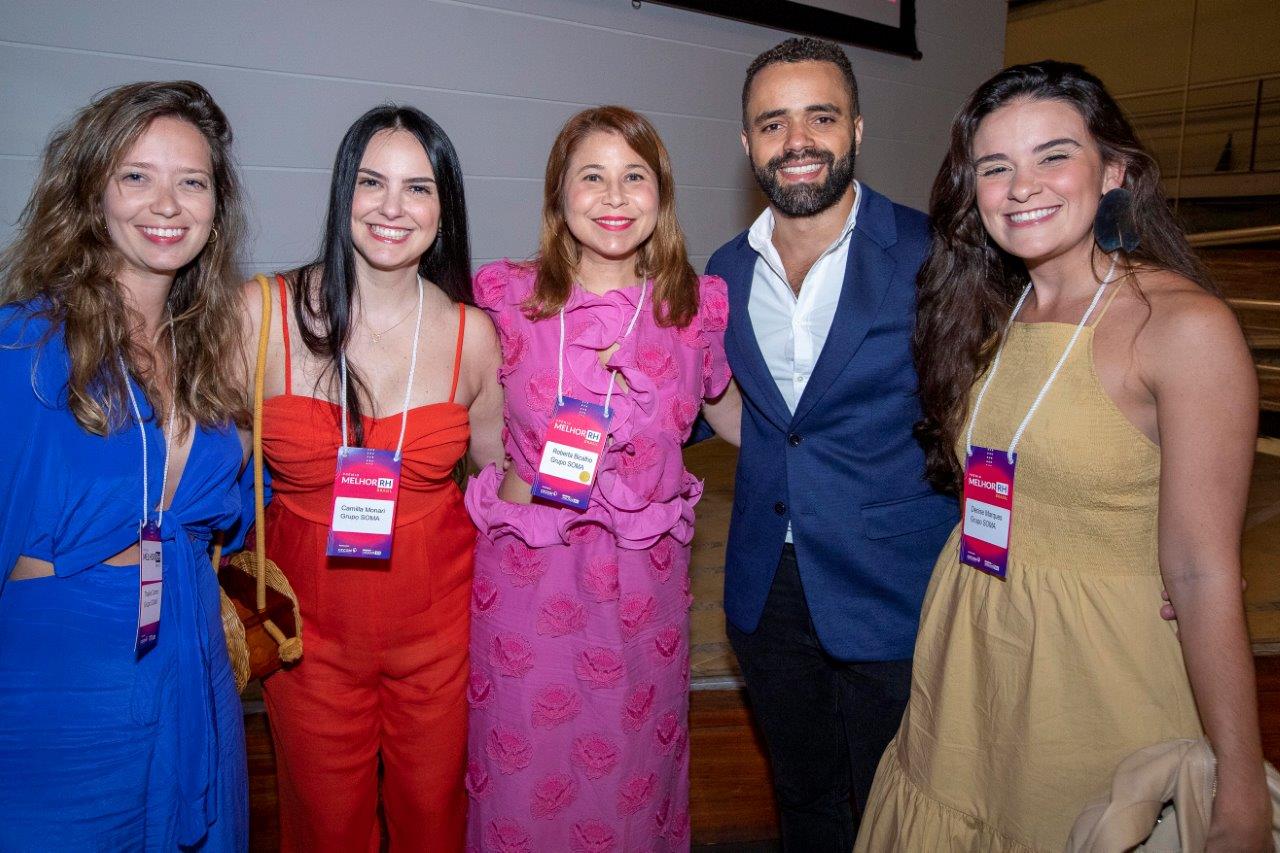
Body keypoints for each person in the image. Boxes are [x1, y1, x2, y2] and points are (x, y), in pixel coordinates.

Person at [855, 60, 1271, 851]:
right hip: (972, 655)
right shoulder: (986, 308)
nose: (1022, 187)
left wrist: (1240, 788)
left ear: (1113, 171)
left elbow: (1202, 570)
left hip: (1095, 672)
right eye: (995, 166)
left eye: (1053, 155)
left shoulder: (1182, 328)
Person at [464, 105, 740, 852]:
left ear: (661, 193)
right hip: (529, 583)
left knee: (633, 774)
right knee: (522, 774)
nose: (614, 197)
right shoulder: (508, 299)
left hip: (645, 589)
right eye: (592, 176)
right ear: (559, 194)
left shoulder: (694, 308)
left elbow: (738, 416)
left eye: (634, 176)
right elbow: (478, 430)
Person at [703, 37, 956, 850]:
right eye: (773, 123)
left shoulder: (931, 254)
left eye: (821, 116)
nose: (797, 140)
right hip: (766, 590)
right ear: (748, 143)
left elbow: (981, 417)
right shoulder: (723, 272)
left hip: (895, 588)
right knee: (803, 797)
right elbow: (754, 417)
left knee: (899, 806)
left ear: (857, 129)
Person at [0, 81, 250, 850]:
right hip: (63, 686)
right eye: (137, 176)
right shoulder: (23, 347)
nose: (166, 204)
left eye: (192, 182)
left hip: (191, 666)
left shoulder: (210, 347)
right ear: (91, 190)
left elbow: (236, 509)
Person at [246, 105, 503, 852]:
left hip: (441, 634)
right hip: (306, 638)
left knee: (434, 820)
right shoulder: (260, 314)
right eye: (372, 182)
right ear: (343, 191)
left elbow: (502, 487)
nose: (393, 207)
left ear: (444, 208)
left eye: (418, 187)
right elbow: (208, 470)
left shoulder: (473, 334)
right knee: (325, 827)